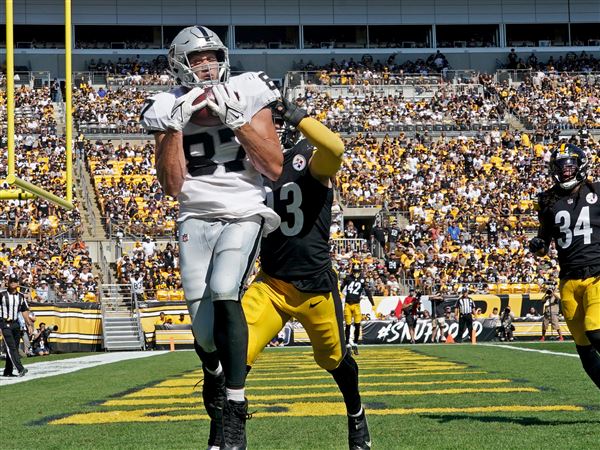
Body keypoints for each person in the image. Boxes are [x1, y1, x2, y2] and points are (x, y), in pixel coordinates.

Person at [140, 25, 283, 449]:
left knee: (225, 289)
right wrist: (172, 128)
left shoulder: (248, 88)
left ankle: (235, 409)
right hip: (194, 216)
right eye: (198, 58)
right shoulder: (166, 103)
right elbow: (170, 185)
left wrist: (239, 123)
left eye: (212, 56)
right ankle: (216, 376)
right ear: (180, 64)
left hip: (244, 208)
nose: (207, 65)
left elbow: (274, 168)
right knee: (204, 335)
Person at [242, 99, 371, 450]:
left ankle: (356, 414)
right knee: (237, 354)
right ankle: (227, 433)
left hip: (314, 286)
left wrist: (298, 116)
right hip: (270, 283)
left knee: (333, 359)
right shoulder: (251, 166)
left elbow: (335, 147)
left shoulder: (307, 160)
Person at [529, 143, 600, 389]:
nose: (566, 171)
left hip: (596, 276)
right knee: (584, 348)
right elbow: (542, 247)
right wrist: (537, 244)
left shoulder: (597, 192)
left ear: (580, 166)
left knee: (595, 329)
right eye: (561, 167)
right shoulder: (548, 201)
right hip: (568, 281)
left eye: (570, 166)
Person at [1, 275, 32, 377]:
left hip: (16, 324)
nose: (13, 283)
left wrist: (29, 325)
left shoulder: (21, 296)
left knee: (14, 346)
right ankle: (20, 369)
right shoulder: (2, 295)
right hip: (5, 323)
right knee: (11, 347)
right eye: (11, 281)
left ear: (18, 283)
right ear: (8, 283)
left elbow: (24, 311)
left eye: (15, 281)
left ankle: (8, 371)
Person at [340, 264, 375, 354]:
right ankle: (347, 344)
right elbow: (341, 289)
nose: (356, 273)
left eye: (357, 271)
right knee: (347, 326)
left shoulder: (362, 280)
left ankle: (355, 344)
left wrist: (372, 303)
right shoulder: (348, 278)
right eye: (355, 271)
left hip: (356, 305)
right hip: (348, 304)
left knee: (357, 325)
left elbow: (367, 292)